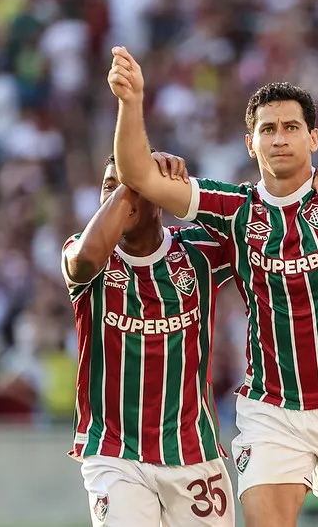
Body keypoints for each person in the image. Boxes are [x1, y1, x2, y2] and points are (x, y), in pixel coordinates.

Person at [107, 41, 318, 527]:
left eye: (291, 127)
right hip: (272, 410)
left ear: (314, 138)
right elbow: (137, 172)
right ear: (251, 144)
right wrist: (131, 101)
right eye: (268, 129)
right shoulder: (233, 209)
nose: (280, 138)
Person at [62, 150, 236, 527]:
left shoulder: (198, 252)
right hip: (115, 452)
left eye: (130, 185)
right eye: (108, 186)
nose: (117, 196)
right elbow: (87, 258)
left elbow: (255, 219)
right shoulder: (83, 254)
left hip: (193, 451)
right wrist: (133, 174)